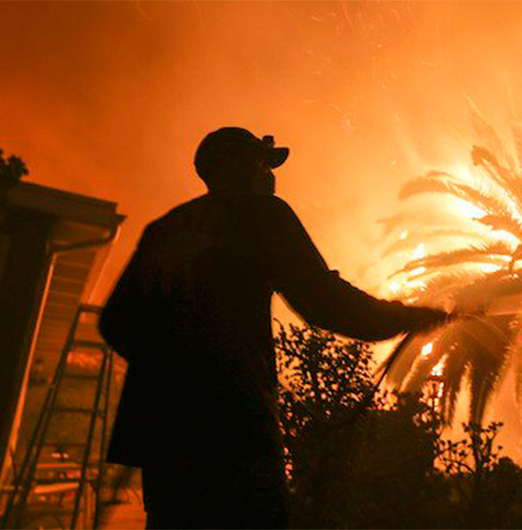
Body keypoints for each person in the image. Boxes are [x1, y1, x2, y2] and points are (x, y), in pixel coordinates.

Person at [99, 127, 448, 529]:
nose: (270, 175)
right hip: (234, 426)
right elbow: (323, 300)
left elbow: (115, 322)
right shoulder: (261, 214)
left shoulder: (164, 229)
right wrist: (407, 317)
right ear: (237, 166)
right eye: (262, 163)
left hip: (165, 441)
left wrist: (171, 366)